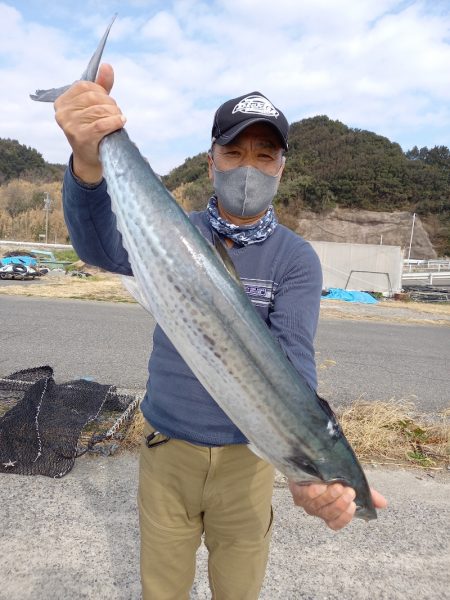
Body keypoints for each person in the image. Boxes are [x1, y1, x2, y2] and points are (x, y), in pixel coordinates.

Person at [55, 64, 387, 600]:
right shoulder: (175, 230)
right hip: (168, 452)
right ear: (211, 161)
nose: (247, 168)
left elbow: (294, 362)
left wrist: (303, 465)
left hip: (246, 465)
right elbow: (97, 247)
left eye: (264, 155)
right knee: (162, 588)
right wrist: (89, 164)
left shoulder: (296, 259)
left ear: (281, 167)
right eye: (234, 154)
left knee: (239, 588)